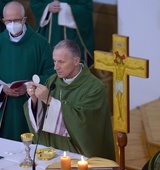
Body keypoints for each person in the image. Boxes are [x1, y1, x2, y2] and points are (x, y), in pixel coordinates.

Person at [24, 39, 115, 160]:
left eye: (61, 62)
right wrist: (35, 99)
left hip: (79, 155)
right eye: (54, 61)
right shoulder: (53, 80)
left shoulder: (94, 87)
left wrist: (50, 100)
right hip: (53, 151)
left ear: (76, 61)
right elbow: (40, 115)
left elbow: (86, 123)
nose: (56, 67)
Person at [0, 1, 55, 142]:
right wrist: (2, 88)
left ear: (24, 19)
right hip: (4, 107)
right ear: (3, 21)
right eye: (8, 21)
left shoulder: (40, 44)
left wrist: (28, 86)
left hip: (31, 104)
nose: (12, 24)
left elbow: (51, 75)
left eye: (16, 20)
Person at [30, 0, 94, 66]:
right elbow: (35, 3)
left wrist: (65, 7)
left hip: (71, 33)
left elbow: (86, 8)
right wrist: (47, 7)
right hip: (47, 30)